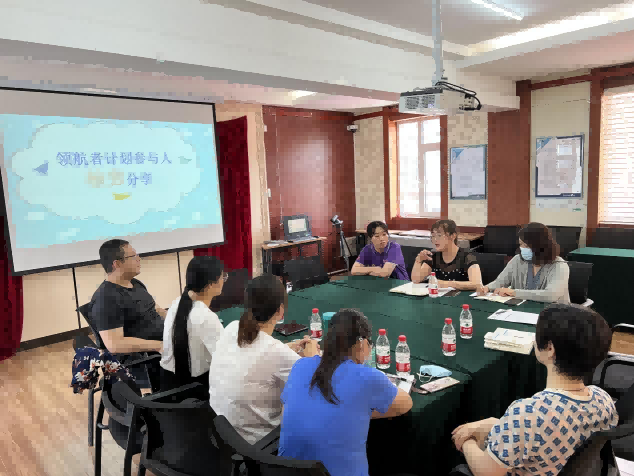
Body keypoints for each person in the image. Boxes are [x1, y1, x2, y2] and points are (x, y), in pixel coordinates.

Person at [451, 304, 618, 476]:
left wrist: (467, 441)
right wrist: (497, 424)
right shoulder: (604, 399)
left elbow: (486, 472)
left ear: (550, 349)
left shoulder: (527, 414)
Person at [279, 309, 413, 476]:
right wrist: (359, 410)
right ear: (362, 343)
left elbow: (289, 412)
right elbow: (405, 404)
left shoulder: (300, 365)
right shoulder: (367, 377)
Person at [208, 274, 320, 444]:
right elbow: (319, 382)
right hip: (257, 444)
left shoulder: (232, 327)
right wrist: (314, 356)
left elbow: (255, 351)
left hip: (219, 436)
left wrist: (287, 348)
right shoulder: (276, 352)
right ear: (280, 310)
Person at [160, 256, 227, 392]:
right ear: (211, 284)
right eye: (222, 277)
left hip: (168, 383)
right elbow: (226, 358)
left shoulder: (176, 303)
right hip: (194, 390)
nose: (224, 280)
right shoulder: (205, 317)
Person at [90, 239, 166, 355]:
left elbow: (156, 309)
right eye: (133, 256)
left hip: (167, 338)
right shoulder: (106, 299)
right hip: (148, 354)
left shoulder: (135, 283)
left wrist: (176, 319)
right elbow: (115, 344)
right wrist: (159, 346)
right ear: (117, 264)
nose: (139, 259)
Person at [477, 223, 570, 303]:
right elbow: (501, 281)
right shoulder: (517, 260)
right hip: (521, 310)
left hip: (554, 313)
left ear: (541, 246)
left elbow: (551, 295)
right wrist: (487, 288)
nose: (522, 248)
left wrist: (514, 292)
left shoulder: (559, 266)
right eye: (521, 244)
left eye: (526, 245)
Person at [411, 219, 482, 290]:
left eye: (439, 235)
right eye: (433, 236)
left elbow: (477, 284)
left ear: (453, 236)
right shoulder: (434, 256)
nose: (435, 240)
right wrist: (418, 260)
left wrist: (448, 284)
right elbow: (416, 280)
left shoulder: (467, 256)